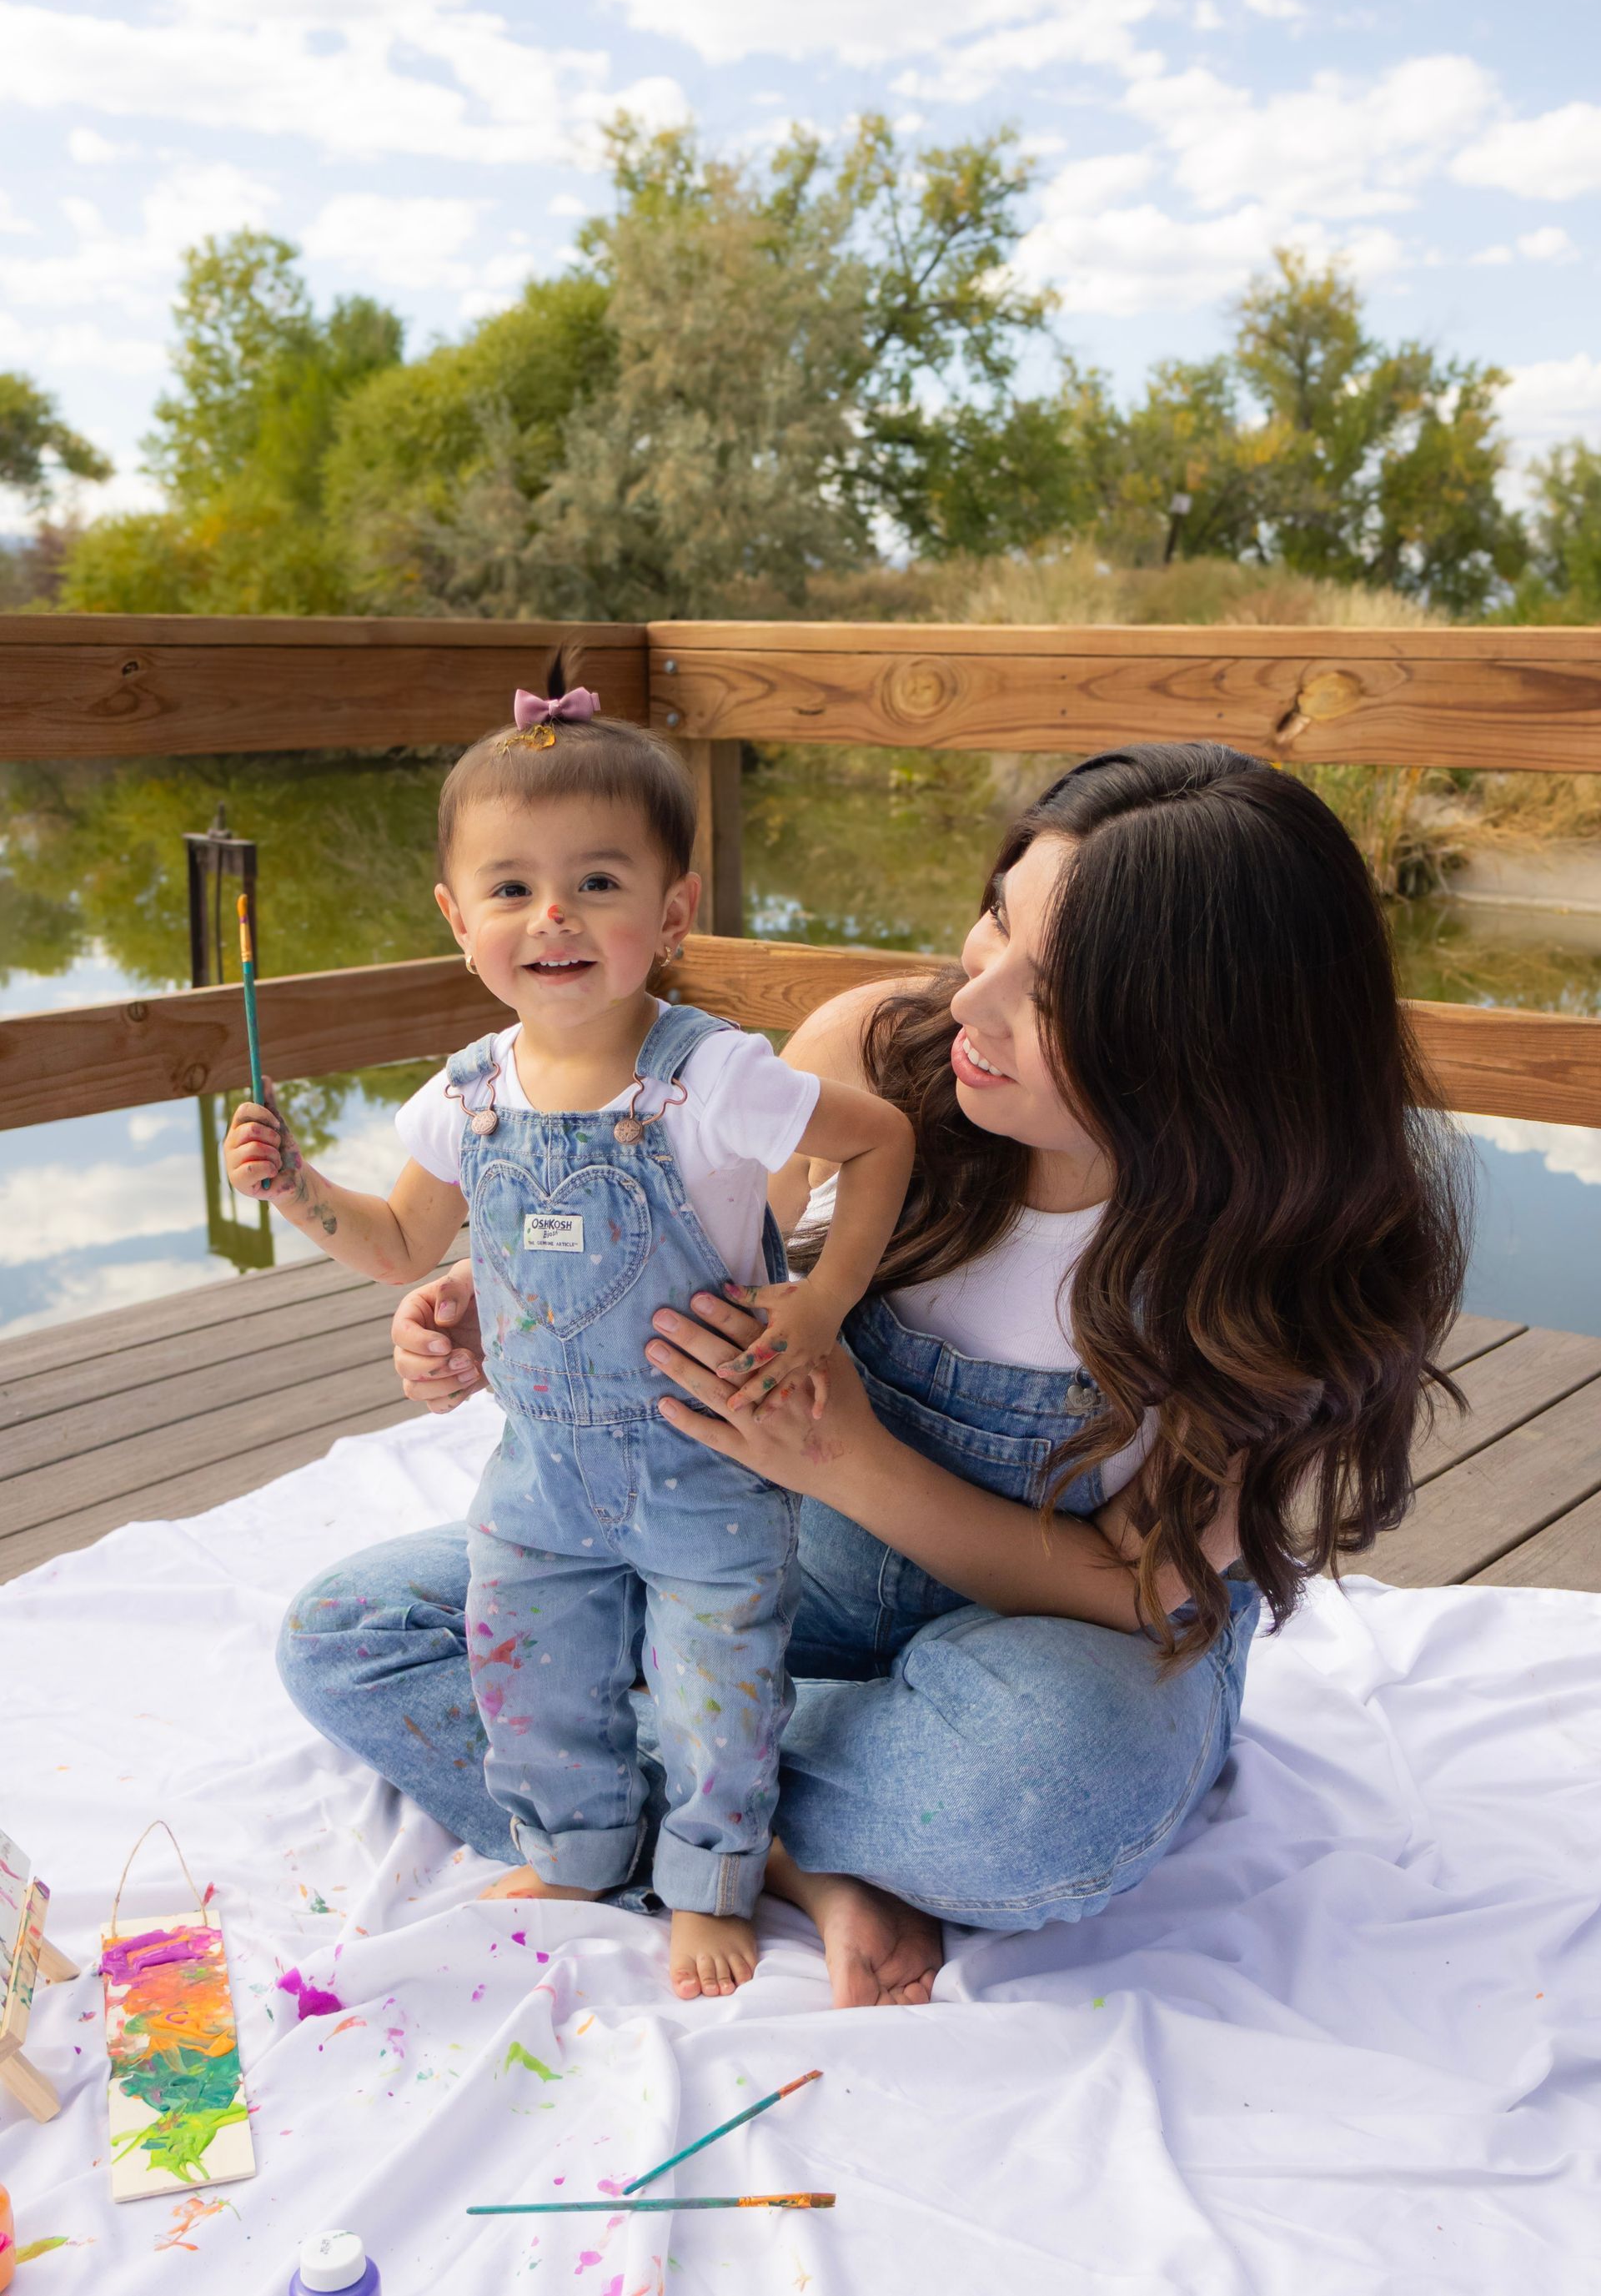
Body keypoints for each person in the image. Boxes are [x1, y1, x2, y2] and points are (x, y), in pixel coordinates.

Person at [277, 742, 1470, 2009]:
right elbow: (692, 1229)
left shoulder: (1277, 1263)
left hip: (1064, 1636)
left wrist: (852, 1459)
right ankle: (778, 1854)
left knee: (1053, 1796)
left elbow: (1149, 1589)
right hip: (792, 1546)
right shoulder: (872, 1056)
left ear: (1207, 1038)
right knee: (353, 1636)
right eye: (994, 926)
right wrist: (524, 1292)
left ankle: (689, 1799)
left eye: (1050, 990)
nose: (974, 1003)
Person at [225, 676, 913, 2001]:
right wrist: (295, 1187)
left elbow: (879, 1139)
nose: (553, 916)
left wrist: (818, 1305)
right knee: (526, 1669)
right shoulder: (468, 1091)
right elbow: (395, 1245)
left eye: (598, 882)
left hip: (703, 1459)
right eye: (511, 888)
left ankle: (715, 1873)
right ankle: (580, 1844)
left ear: (672, 911)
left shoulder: (713, 1075)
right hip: (540, 1468)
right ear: (456, 918)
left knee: (717, 1687)